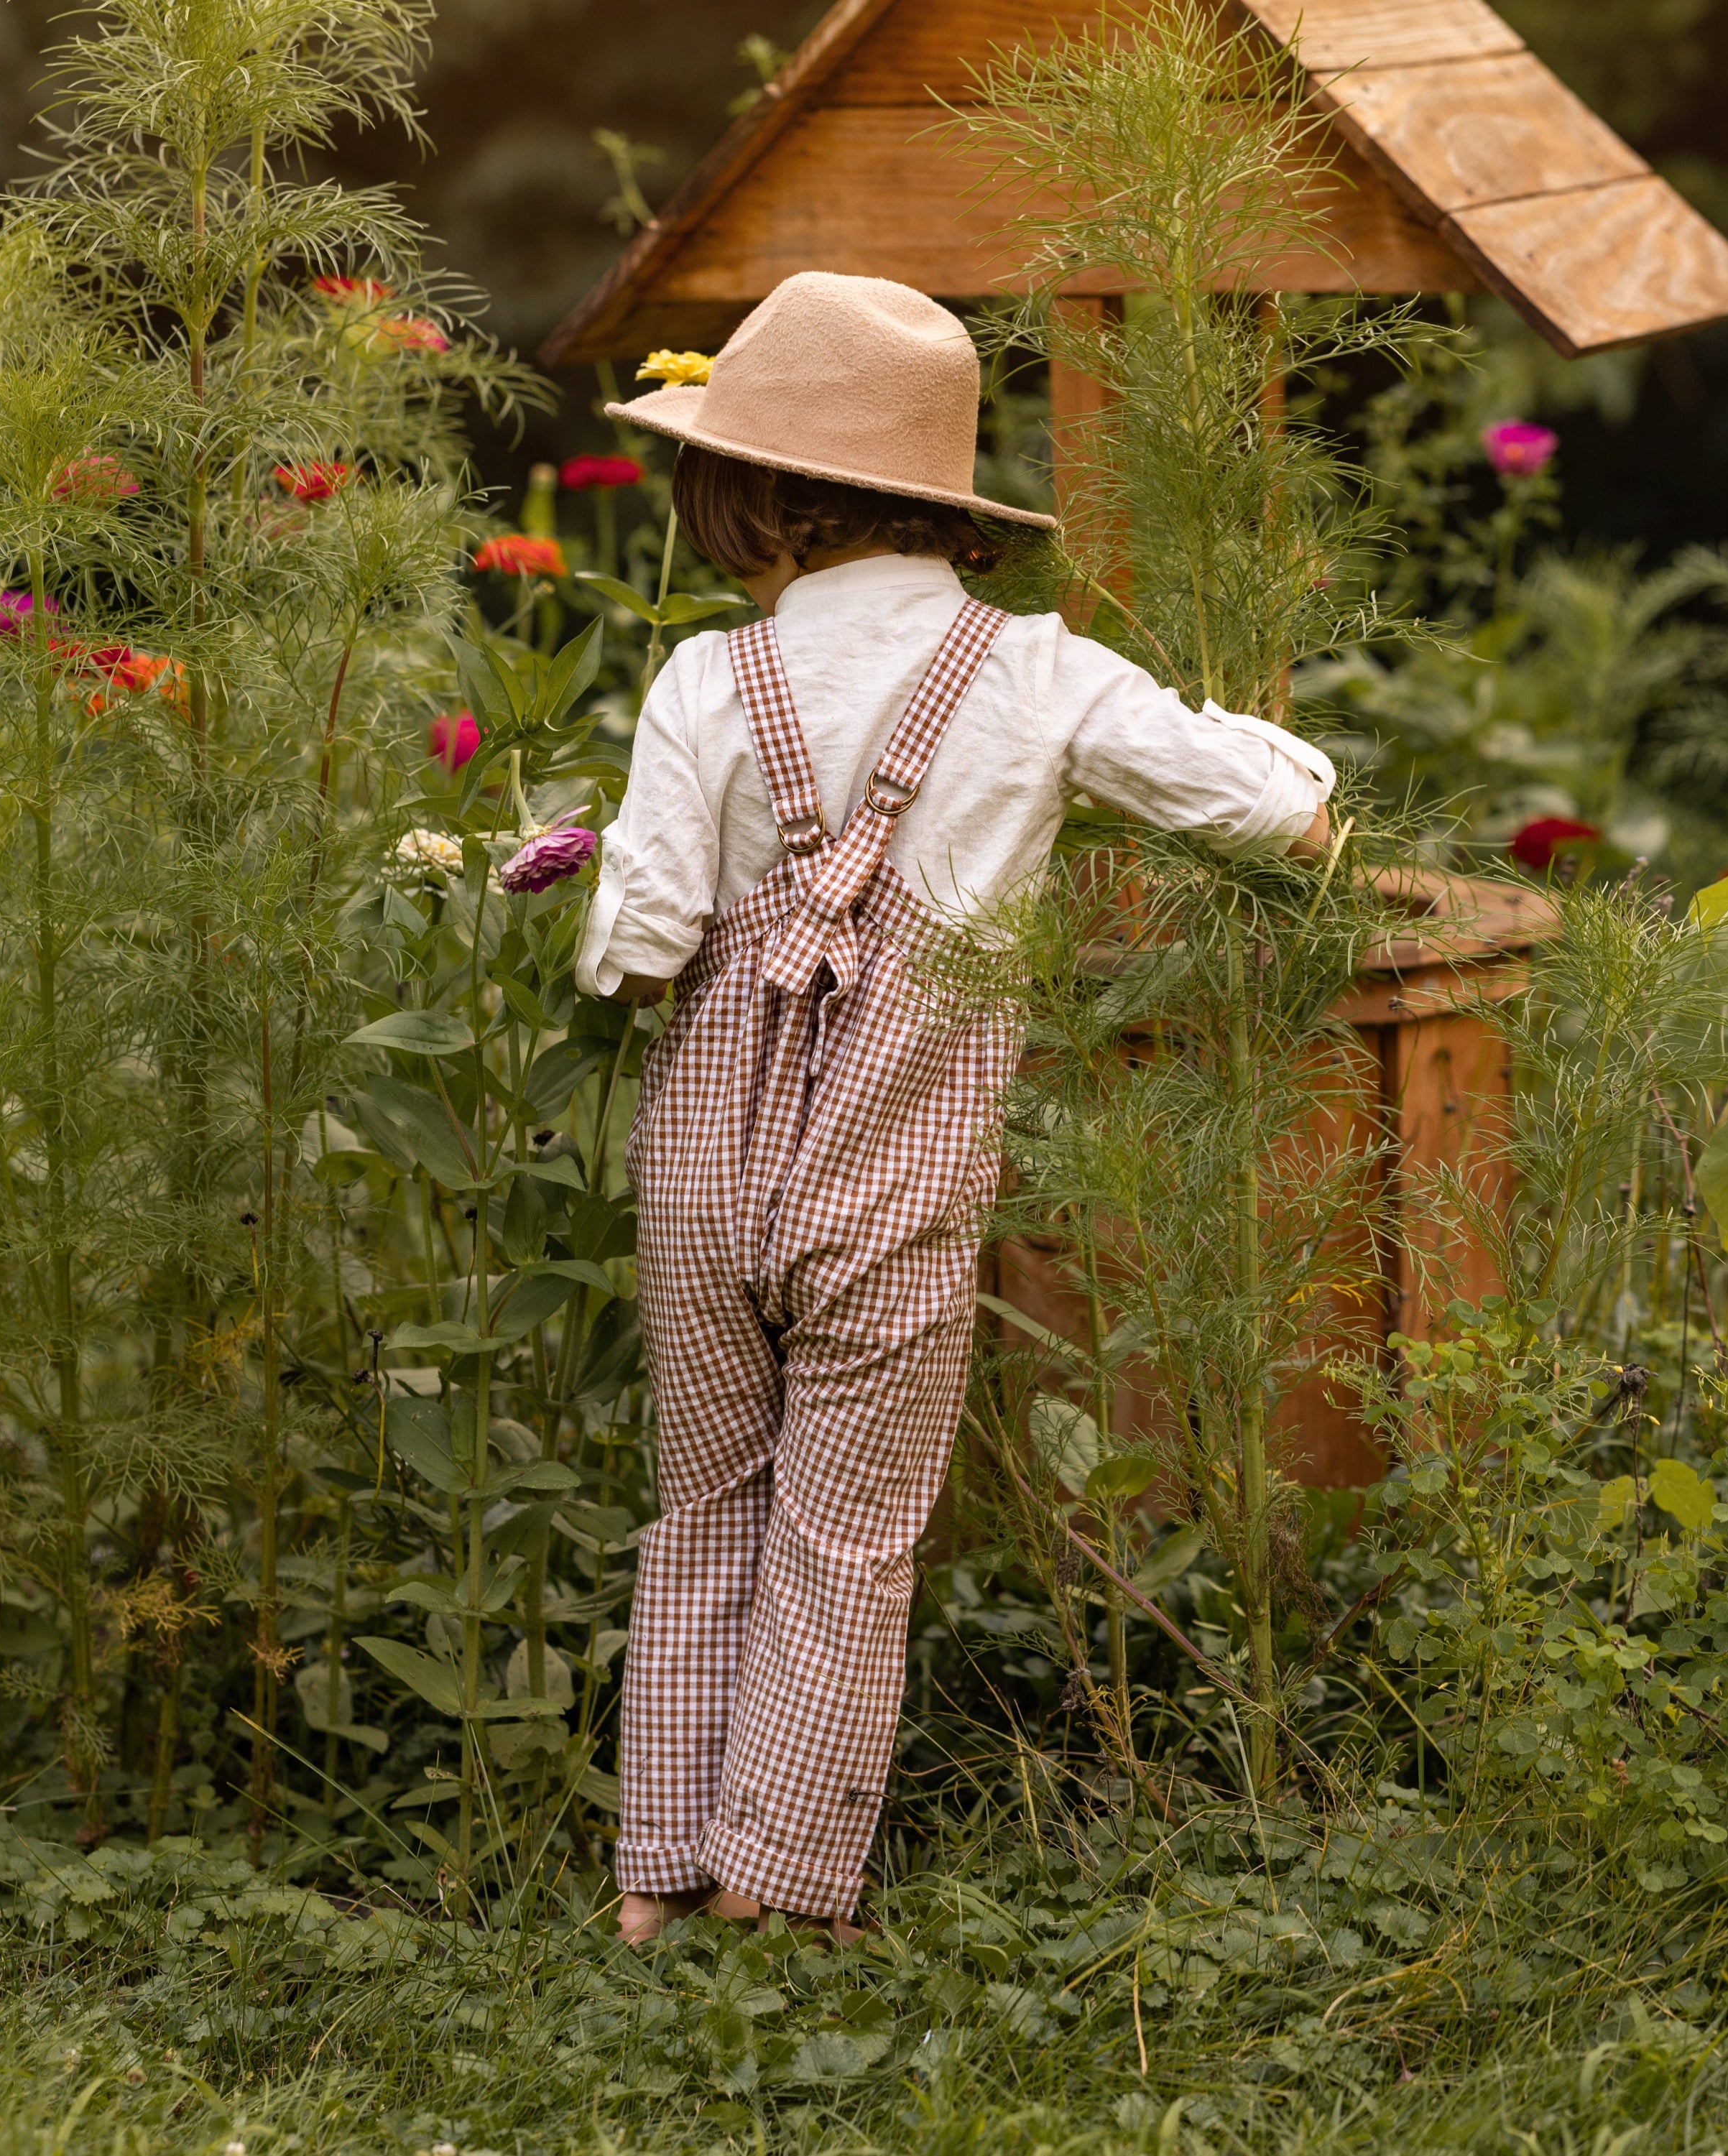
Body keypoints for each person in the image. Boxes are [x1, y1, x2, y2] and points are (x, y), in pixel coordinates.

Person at [574, 272, 1334, 1947]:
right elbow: (1269, 815)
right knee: (846, 1533)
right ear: (937, 502)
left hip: (707, 1178)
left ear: (754, 492)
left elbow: (632, 951)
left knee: (703, 1500)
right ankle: (785, 1882)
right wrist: (1308, 788)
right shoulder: (1039, 676)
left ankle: (658, 1881)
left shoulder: (708, 684)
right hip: (894, 1174)